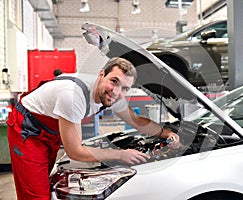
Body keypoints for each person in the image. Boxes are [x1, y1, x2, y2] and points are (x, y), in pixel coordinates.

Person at [6, 57, 180, 199]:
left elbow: (136, 121)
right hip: (27, 131)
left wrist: (167, 133)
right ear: (101, 74)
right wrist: (121, 154)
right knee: (35, 195)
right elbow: (75, 151)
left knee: (45, 183)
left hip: (52, 130)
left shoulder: (114, 96)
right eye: (114, 81)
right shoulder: (73, 95)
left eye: (125, 88)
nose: (117, 92)